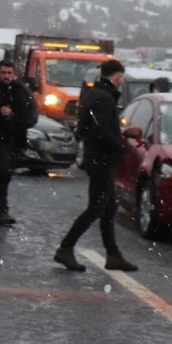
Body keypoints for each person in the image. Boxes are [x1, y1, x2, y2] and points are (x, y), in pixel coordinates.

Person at [54, 60, 138, 273]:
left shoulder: (96, 94)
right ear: (118, 77)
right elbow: (100, 130)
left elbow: (89, 128)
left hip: (98, 158)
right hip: (101, 160)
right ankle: (66, 248)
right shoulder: (103, 98)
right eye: (121, 78)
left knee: (109, 208)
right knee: (96, 209)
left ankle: (113, 254)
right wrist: (119, 144)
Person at [0, 60, 37, 225]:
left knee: (5, 175)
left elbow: (31, 116)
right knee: (4, 172)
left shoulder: (22, 90)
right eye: (3, 73)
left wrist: (13, 117)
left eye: (9, 73)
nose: (6, 76)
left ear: (14, 73)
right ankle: (0, 209)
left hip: (16, 138)